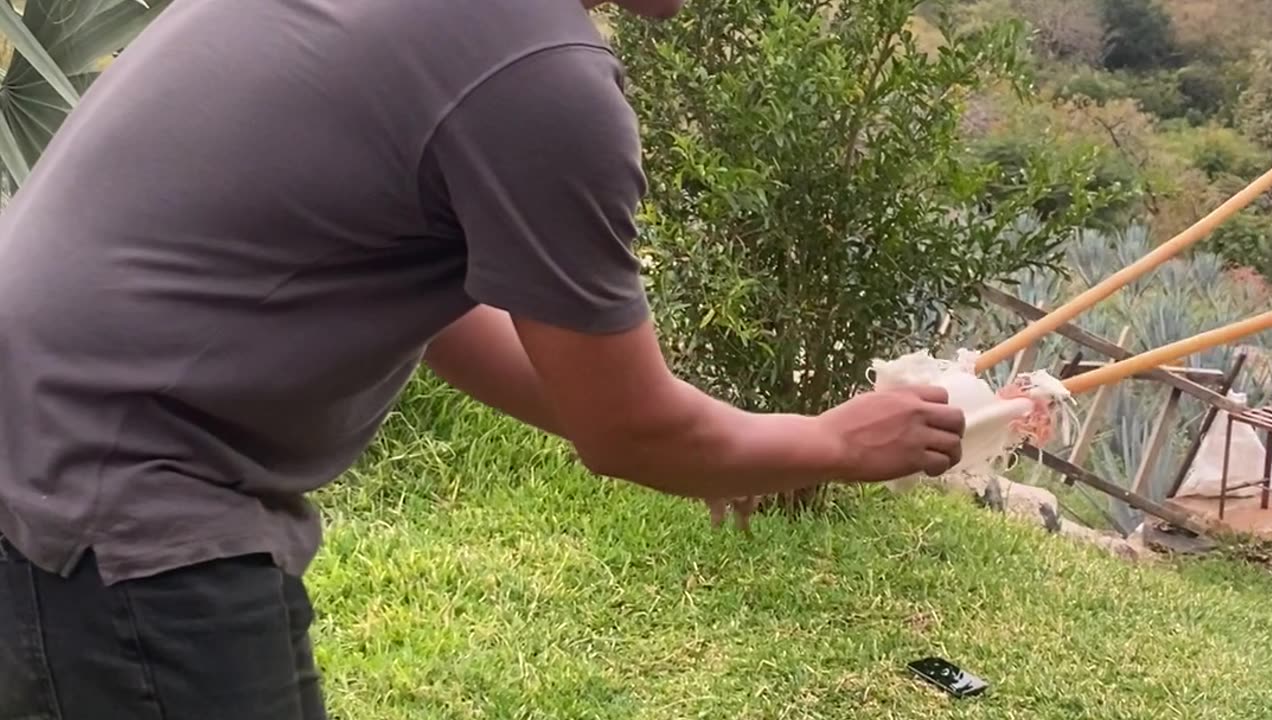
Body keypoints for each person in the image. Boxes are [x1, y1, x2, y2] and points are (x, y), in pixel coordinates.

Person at [0, 0, 966, 717]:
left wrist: (724, 439)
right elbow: (626, 431)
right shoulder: (536, 76)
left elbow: (454, 323)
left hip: (47, 441)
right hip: (120, 496)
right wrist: (832, 443)